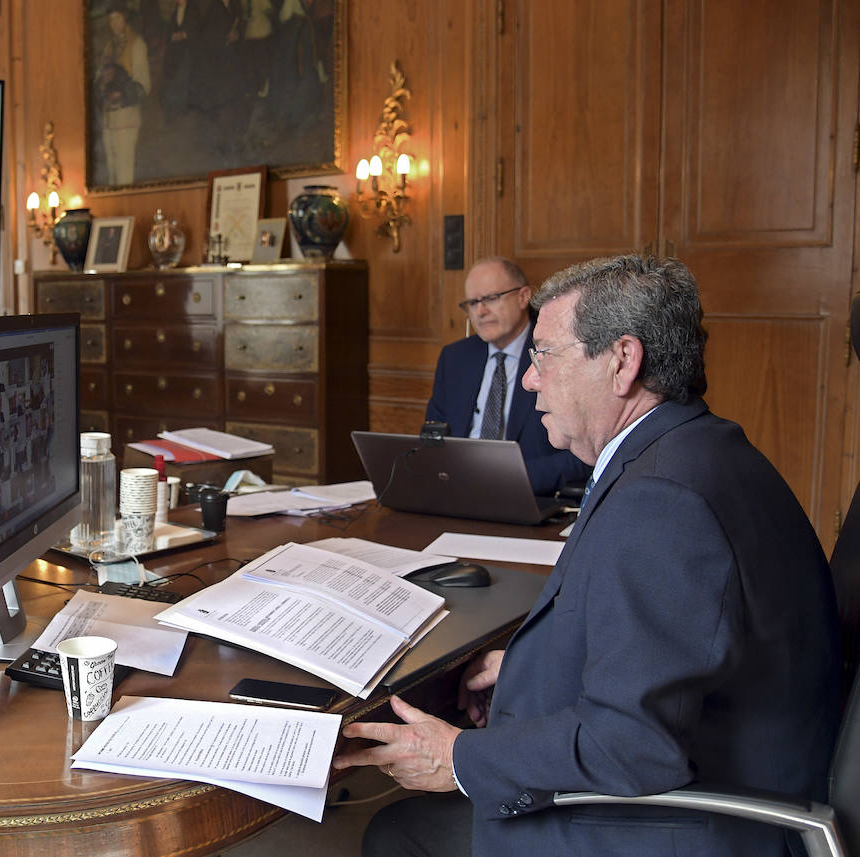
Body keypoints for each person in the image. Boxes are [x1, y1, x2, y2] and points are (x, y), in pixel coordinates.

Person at [335, 255, 841, 857]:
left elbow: (635, 745)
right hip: (726, 765)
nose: (528, 381)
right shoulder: (694, 449)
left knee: (398, 835)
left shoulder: (661, 503)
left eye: (543, 355)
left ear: (622, 361)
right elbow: (672, 643)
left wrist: (459, 758)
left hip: (695, 829)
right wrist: (525, 668)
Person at [425, 258, 589, 496]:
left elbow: (585, 454)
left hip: (529, 495)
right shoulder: (454, 358)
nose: (480, 311)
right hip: (455, 494)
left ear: (523, 297)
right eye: (473, 302)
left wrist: (509, 479)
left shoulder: (559, 353)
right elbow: (432, 441)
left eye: (491, 298)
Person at [94, 8, 149, 187]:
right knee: (111, 173)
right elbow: (99, 76)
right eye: (111, 20)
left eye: (117, 18)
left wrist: (122, 95)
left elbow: (144, 84)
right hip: (108, 119)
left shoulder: (136, 44)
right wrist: (101, 86)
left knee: (125, 173)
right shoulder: (110, 47)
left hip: (126, 119)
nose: (114, 24)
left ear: (124, 19)